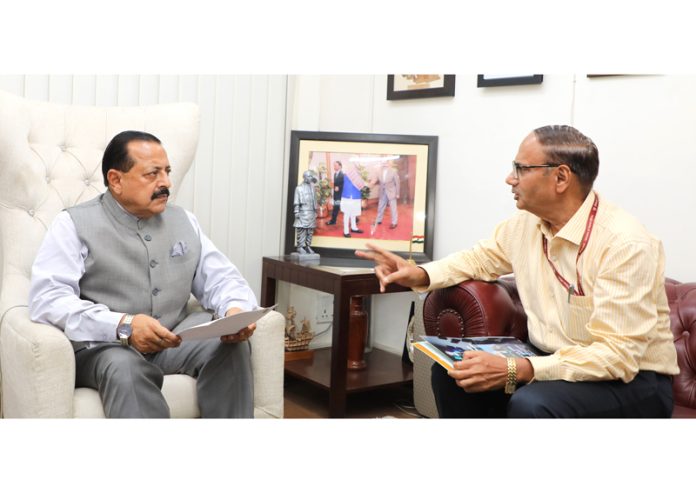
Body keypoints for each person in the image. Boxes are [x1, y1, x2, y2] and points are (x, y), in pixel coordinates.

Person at [356, 125, 679, 418]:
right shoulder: (527, 225)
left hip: (632, 381)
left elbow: (616, 356)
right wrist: (419, 274)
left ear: (561, 178)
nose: (510, 179)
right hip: (552, 357)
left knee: (533, 403)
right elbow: (479, 258)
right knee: (457, 374)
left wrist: (516, 369)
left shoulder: (625, 243)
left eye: (520, 169)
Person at [29, 130, 259, 418]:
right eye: (152, 174)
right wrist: (123, 326)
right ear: (116, 180)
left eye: (167, 172)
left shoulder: (184, 220)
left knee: (231, 348)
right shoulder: (72, 224)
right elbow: (47, 300)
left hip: (174, 338)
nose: (166, 183)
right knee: (125, 366)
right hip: (106, 347)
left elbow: (221, 278)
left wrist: (234, 311)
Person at [293, 169, 318, 254]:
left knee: (310, 231)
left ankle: (308, 246)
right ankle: (300, 247)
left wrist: (315, 211)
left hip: (311, 212)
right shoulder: (299, 188)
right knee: (302, 230)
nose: (311, 178)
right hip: (303, 212)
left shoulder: (312, 188)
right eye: (309, 176)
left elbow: (314, 200)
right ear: (305, 177)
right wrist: (296, 212)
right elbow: (296, 201)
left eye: (311, 176)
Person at [371, 159, 400, 229]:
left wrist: (397, 193)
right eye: (383, 162)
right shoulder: (379, 171)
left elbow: (397, 183)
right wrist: (370, 184)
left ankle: (394, 222)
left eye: (386, 162)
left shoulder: (393, 171)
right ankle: (378, 220)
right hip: (382, 192)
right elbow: (375, 180)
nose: (385, 164)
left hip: (391, 192)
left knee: (393, 208)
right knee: (380, 207)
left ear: (389, 163)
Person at [340, 162, 366, 238]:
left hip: (356, 197)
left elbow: (361, 185)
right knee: (347, 215)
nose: (355, 167)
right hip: (347, 197)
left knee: (354, 214)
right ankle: (346, 231)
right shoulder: (346, 175)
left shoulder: (357, 175)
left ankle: (354, 228)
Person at [326, 160, 344, 226]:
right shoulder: (335, 174)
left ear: (340, 166)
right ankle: (333, 221)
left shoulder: (342, 174)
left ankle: (333, 221)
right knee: (338, 208)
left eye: (336, 165)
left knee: (338, 208)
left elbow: (344, 184)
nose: (334, 166)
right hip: (336, 195)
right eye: (334, 165)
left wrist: (339, 187)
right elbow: (335, 185)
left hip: (341, 195)